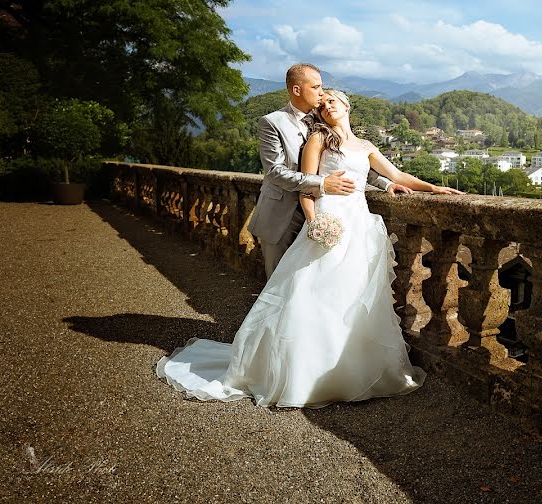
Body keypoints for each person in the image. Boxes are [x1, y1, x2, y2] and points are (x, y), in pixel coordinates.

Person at [156, 89, 462, 408]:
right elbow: (307, 184)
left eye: (333, 100)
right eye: (323, 101)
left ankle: (350, 369)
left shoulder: (366, 147)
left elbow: (396, 174)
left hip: (358, 224)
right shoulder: (319, 138)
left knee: (353, 295)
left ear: (346, 106)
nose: (327, 104)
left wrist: (434, 188)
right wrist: (315, 223)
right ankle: (304, 374)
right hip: (329, 218)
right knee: (314, 293)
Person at [247, 63, 406, 279]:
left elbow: (345, 160)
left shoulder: (323, 118)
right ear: (297, 90)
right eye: (316, 87)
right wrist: (321, 184)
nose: (322, 93)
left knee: (313, 282)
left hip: (321, 211)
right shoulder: (272, 122)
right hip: (281, 213)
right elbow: (274, 171)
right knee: (279, 283)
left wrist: (385, 183)